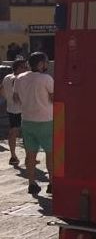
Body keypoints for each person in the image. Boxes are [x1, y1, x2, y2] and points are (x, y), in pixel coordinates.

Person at [14, 52, 54, 195]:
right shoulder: (46, 79)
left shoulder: (19, 78)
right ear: (40, 64)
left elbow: (15, 98)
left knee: (30, 155)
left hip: (27, 121)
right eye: (45, 62)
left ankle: (31, 183)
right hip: (46, 121)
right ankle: (52, 183)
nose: (47, 64)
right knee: (50, 154)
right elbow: (54, 98)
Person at [0, 59, 28, 166]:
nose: (26, 68)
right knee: (25, 134)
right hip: (21, 110)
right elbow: (19, 97)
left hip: (11, 109)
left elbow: (1, 90)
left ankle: (13, 156)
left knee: (13, 132)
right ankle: (29, 158)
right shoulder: (19, 79)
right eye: (24, 67)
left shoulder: (7, 77)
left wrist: (8, 99)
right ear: (18, 68)